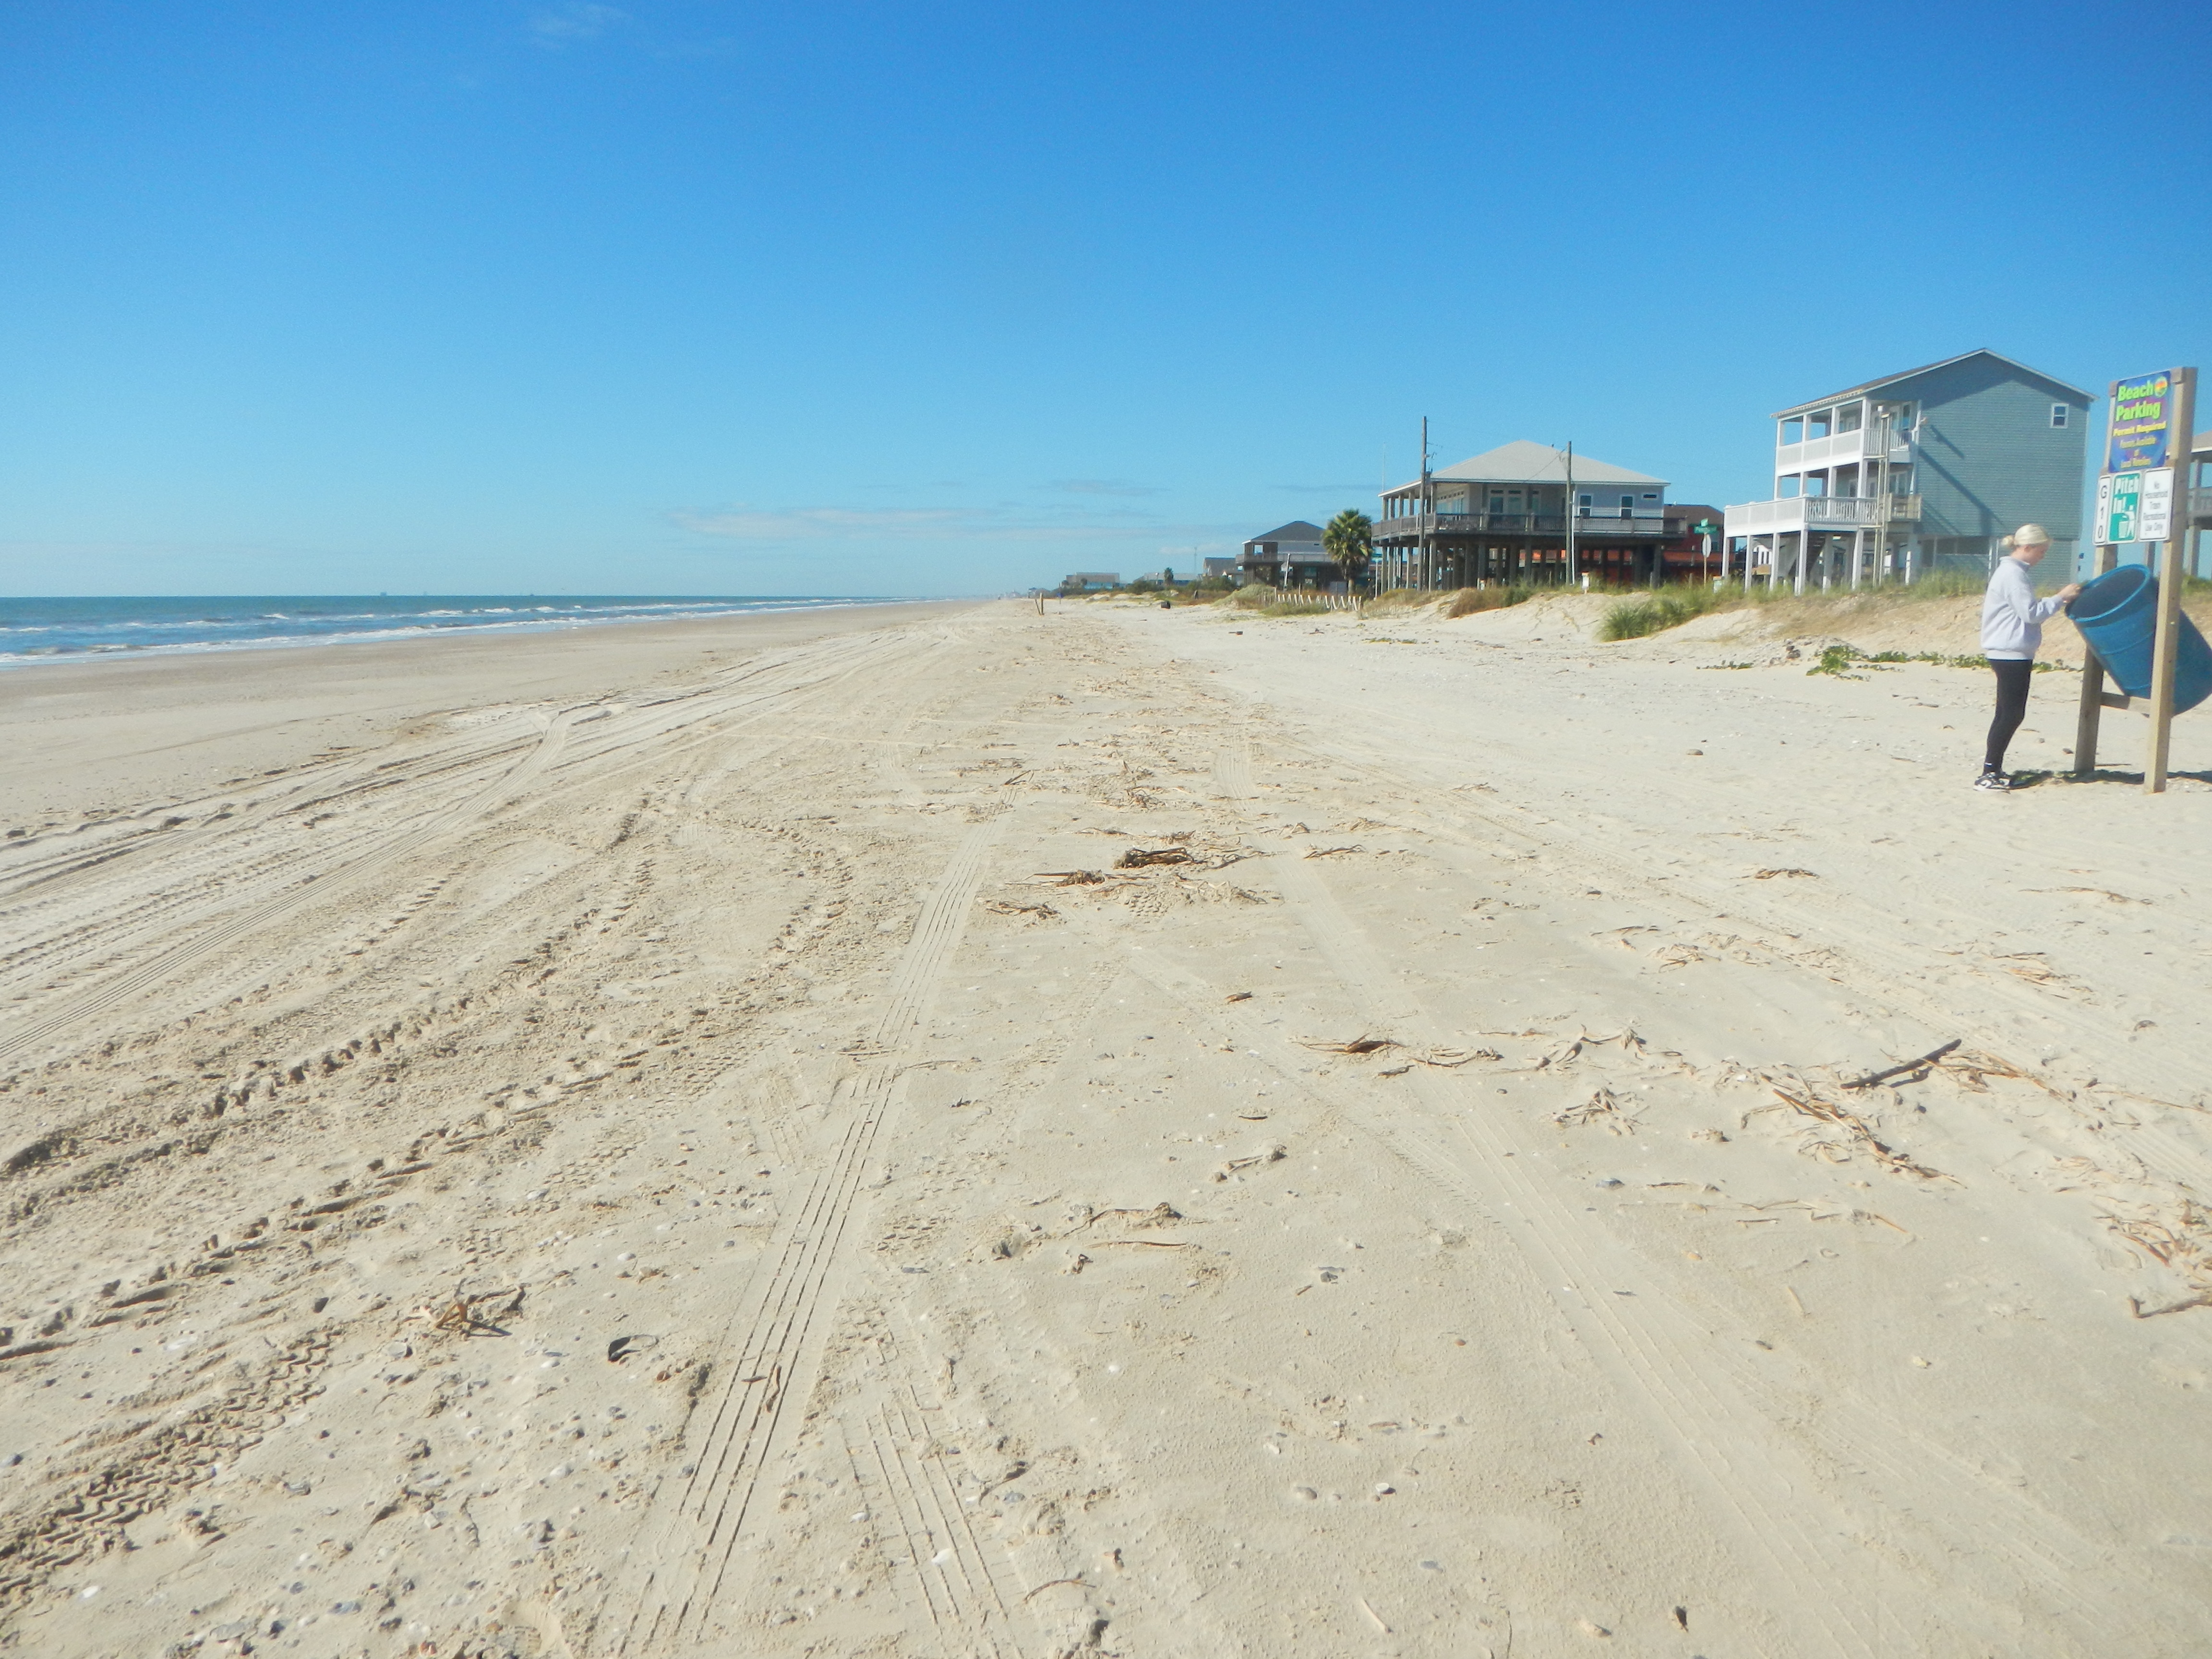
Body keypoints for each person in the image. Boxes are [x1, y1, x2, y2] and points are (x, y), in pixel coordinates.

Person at [1975, 525, 2080, 791]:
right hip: (2010, 652)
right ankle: (1989, 773)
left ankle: (1993, 769)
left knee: (2007, 713)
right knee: (2011, 714)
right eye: (2041, 551)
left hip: (2010, 651)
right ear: (2027, 548)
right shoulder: (2013, 574)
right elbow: (2031, 613)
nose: (2043, 557)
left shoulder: (2013, 572)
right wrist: (2060, 598)